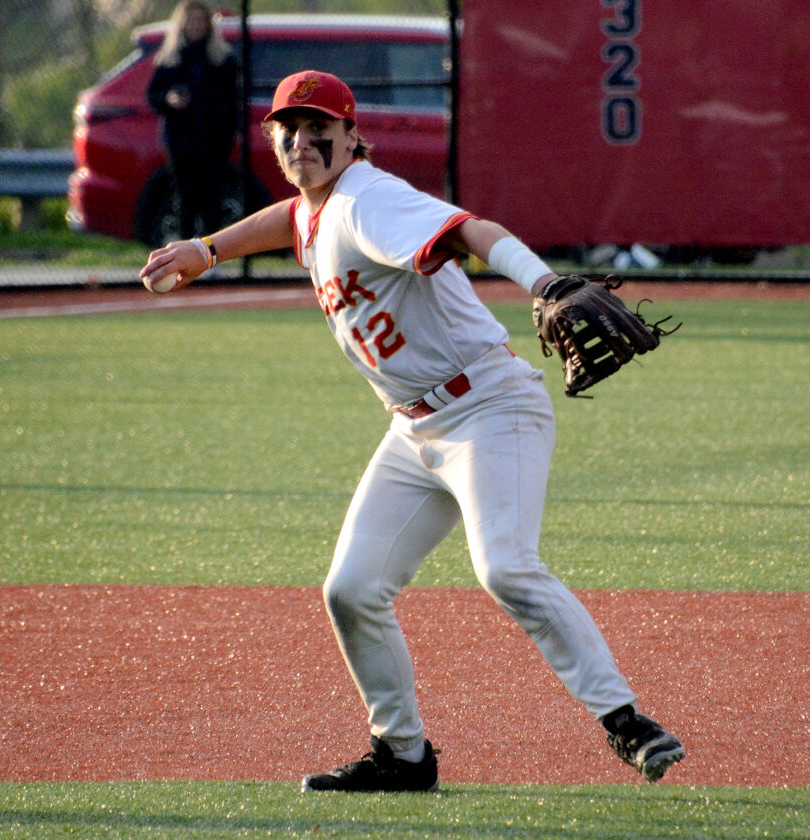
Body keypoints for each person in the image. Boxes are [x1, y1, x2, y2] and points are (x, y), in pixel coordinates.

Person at [140, 70, 685, 793]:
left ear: (351, 136)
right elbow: (293, 219)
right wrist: (207, 250)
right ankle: (401, 754)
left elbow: (468, 230)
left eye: (317, 129)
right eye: (287, 130)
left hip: (489, 409)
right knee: (351, 589)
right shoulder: (321, 203)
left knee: (505, 568)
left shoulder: (369, 199)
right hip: (414, 430)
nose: (300, 142)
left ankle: (626, 721)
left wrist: (545, 283)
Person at [146, 1, 238, 240]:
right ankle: (184, 250)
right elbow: (152, 96)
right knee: (185, 196)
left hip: (214, 139)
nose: (196, 26)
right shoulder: (169, 60)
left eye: (200, 21)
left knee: (212, 196)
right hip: (180, 140)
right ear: (181, 25)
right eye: (191, 21)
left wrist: (228, 132)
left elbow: (234, 100)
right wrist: (169, 99)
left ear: (208, 25)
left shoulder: (222, 59)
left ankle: (212, 251)